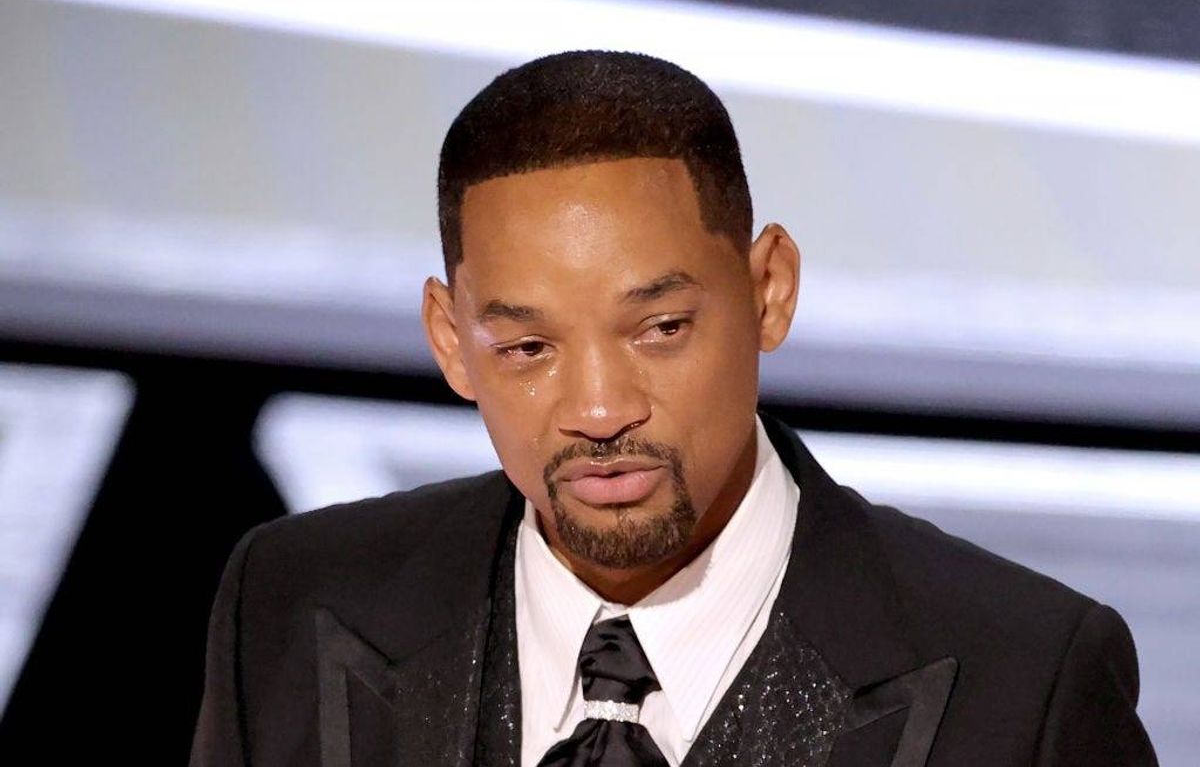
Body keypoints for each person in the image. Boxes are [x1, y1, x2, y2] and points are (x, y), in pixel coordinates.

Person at [189, 50, 1157, 766]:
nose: (600, 409)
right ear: (451, 341)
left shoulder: (1025, 678)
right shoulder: (291, 600)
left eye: (660, 329)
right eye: (529, 348)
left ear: (769, 288)